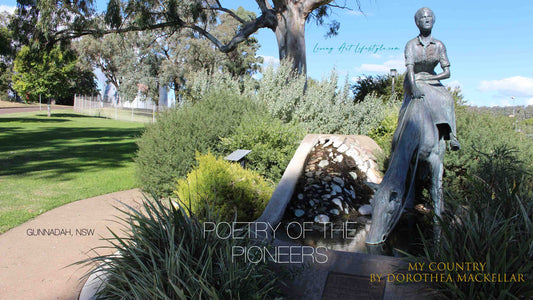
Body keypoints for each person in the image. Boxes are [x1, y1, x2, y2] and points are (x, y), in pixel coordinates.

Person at [396, 7, 461, 151]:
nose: (427, 19)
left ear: (433, 20)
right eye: (423, 17)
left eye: (429, 17)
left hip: (432, 78)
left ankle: (452, 136)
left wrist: (433, 79)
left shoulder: (439, 45)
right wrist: (414, 88)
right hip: (414, 78)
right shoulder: (411, 44)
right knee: (424, 93)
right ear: (417, 22)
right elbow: (410, 69)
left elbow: (447, 72)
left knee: (447, 99)